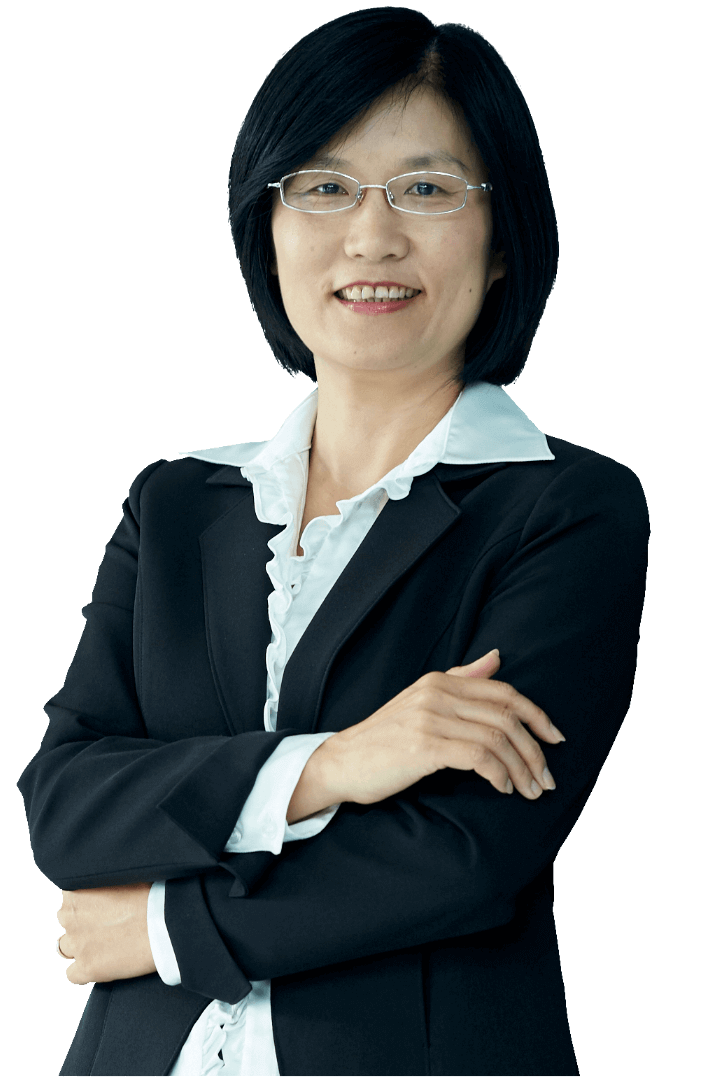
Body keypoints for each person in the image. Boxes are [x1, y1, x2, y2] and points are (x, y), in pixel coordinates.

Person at [17, 9, 649, 1077]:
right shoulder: (176, 504)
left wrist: (169, 927)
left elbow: (464, 855)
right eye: (323, 186)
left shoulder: (567, 507)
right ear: (266, 225)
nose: (371, 237)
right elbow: (67, 808)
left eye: (427, 189)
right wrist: (341, 763)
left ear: (504, 239)